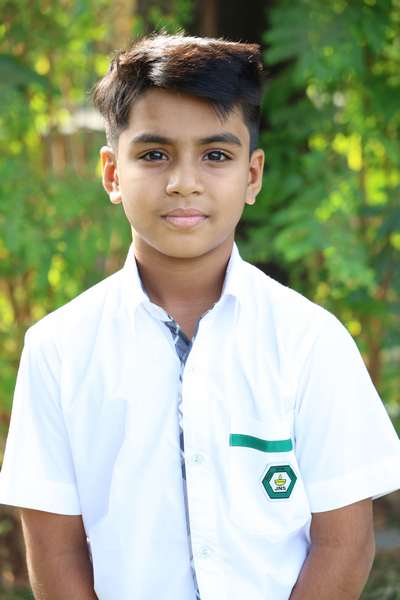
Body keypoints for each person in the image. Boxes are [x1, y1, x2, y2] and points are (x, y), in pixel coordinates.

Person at [1, 32, 400, 600]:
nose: (184, 182)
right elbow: (53, 548)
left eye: (215, 155)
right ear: (112, 174)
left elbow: (345, 543)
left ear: (252, 175)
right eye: (154, 155)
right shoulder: (59, 349)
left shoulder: (310, 340)